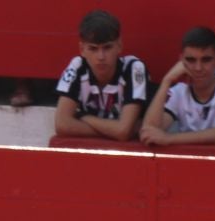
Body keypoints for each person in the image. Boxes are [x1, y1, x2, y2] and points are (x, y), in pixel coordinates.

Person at [140, 25, 215, 148]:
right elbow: (149, 132)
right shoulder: (179, 92)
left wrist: (169, 138)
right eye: (191, 60)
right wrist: (166, 81)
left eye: (206, 60)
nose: (198, 68)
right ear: (181, 61)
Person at [53, 9, 149, 143]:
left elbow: (123, 131)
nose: (101, 57)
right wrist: (113, 131)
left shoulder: (134, 68)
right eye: (93, 48)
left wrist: (84, 116)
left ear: (119, 46)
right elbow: (62, 125)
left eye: (107, 47)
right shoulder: (77, 65)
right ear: (82, 50)